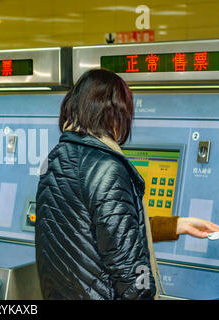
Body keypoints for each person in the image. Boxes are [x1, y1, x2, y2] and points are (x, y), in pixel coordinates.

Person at [35, 69, 219, 300]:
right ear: (114, 113)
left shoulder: (55, 159)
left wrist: (176, 225)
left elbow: (97, 230)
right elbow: (130, 272)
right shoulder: (106, 167)